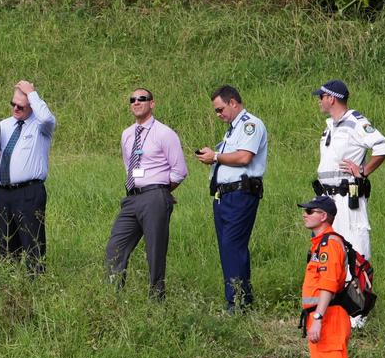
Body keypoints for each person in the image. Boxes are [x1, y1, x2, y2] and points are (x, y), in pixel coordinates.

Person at [311, 79, 385, 328]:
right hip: (329, 198)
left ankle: (358, 313)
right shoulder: (331, 126)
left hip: (348, 198)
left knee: (355, 248)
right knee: (334, 250)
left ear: (331, 98)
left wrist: (363, 171)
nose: (319, 101)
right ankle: (338, 307)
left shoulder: (356, 122)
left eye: (321, 96)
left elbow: (383, 146)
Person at [105, 88, 188, 300]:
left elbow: (179, 171)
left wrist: (161, 192)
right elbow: (129, 166)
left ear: (152, 103)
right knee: (115, 247)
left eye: (142, 99)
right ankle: (112, 297)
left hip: (155, 196)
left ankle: (156, 300)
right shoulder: (127, 134)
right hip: (132, 197)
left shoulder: (164, 133)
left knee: (155, 251)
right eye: (132, 99)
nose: (136, 102)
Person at [196, 85, 267, 312]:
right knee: (228, 248)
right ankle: (241, 298)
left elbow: (245, 157)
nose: (218, 115)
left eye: (220, 109)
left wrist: (215, 156)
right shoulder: (232, 129)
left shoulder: (249, 125)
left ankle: (236, 303)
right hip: (225, 196)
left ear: (233, 102)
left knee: (232, 246)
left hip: (240, 193)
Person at [0, 80, 56, 274]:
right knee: (5, 245)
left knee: (32, 242)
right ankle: (8, 284)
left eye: (21, 106)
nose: (15, 108)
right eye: (13, 104)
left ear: (32, 104)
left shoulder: (41, 127)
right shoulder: (4, 125)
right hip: (3, 193)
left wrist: (31, 92)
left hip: (28, 192)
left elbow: (47, 118)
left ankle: (36, 283)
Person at [298, 195, 353, 358]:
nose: (305, 214)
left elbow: (328, 284)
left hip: (328, 318)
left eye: (310, 211)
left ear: (324, 216)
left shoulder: (330, 244)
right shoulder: (321, 243)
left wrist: (318, 318)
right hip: (323, 316)